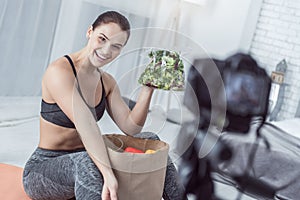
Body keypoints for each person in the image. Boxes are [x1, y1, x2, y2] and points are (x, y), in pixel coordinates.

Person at [22, 11, 186, 200]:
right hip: (44, 169)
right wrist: (108, 174)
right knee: (86, 161)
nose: (107, 50)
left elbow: (131, 128)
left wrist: (148, 88)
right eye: (102, 39)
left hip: (89, 163)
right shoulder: (60, 71)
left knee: (151, 139)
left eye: (116, 46)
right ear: (90, 31)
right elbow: (87, 125)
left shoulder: (107, 82)